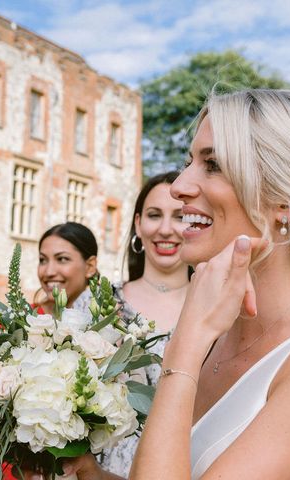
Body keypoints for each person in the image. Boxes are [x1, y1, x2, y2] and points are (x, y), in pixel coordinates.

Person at [63, 89, 290, 479]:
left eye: (214, 165)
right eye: (189, 161)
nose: (179, 186)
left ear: (284, 202)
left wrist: (185, 343)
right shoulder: (220, 338)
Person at [100, 171, 190, 476]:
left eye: (179, 216)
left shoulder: (219, 311)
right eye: (154, 215)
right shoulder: (99, 302)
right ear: (138, 224)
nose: (166, 229)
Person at [34, 222, 98, 314]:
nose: (49, 272)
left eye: (62, 259)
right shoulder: (19, 320)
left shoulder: (113, 322)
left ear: (90, 266)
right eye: (42, 260)